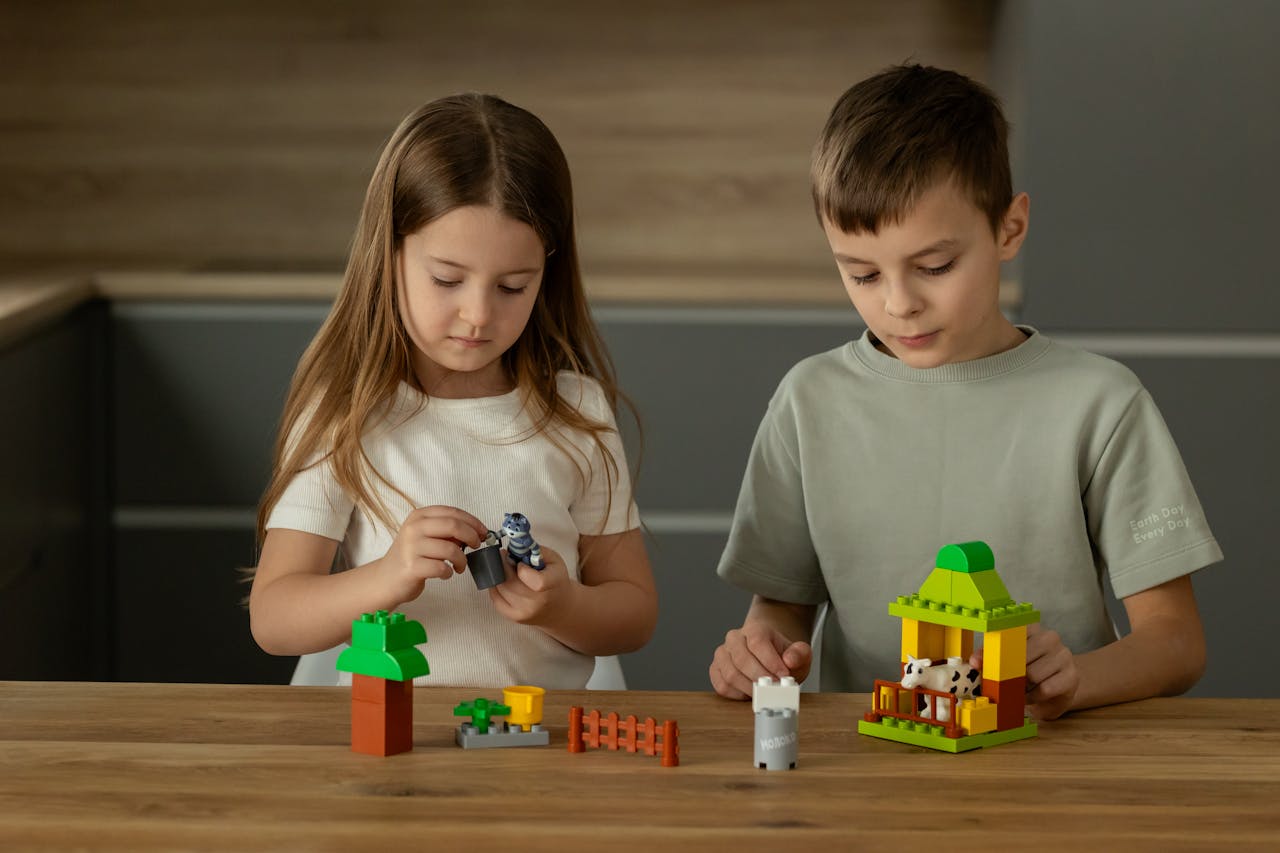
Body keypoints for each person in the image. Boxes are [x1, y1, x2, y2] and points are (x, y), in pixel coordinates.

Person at [708, 65, 1221, 720]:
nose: (899, 304)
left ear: (1009, 229)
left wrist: (1073, 679)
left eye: (934, 267)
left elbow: (1176, 641)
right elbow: (782, 606)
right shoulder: (807, 401)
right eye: (862, 273)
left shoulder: (1102, 404)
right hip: (867, 768)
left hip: (1058, 769)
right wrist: (760, 650)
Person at [249, 93, 657, 689]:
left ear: (548, 272)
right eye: (446, 279)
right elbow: (274, 618)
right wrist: (388, 576)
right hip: (389, 749)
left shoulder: (577, 413)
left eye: (513, 287)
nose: (476, 315)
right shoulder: (347, 413)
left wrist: (563, 606)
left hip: (537, 749)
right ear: (388, 256)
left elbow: (635, 613)